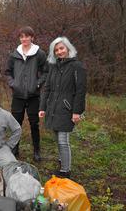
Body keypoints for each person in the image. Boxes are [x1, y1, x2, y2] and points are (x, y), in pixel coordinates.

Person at [39, 36, 87, 178]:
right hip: (53, 107)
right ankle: (62, 161)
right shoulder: (53, 67)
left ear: (68, 48)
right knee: (56, 136)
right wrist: (43, 107)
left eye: (61, 48)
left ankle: (66, 171)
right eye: (56, 50)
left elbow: (81, 90)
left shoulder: (77, 66)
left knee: (63, 140)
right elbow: (47, 88)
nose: (59, 52)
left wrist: (77, 111)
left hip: (67, 109)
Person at [4, 26, 47, 161]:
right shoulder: (14, 54)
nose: (24, 39)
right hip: (18, 96)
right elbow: (7, 72)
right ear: (20, 38)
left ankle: (36, 151)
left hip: (34, 95)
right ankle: (15, 149)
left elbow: (46, 72)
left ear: (32, 37)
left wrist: (38, 84)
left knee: (34, 123)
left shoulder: (39, 54)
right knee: (16, 124)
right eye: (22, 36)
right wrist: (13, 84)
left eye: (27, 36)